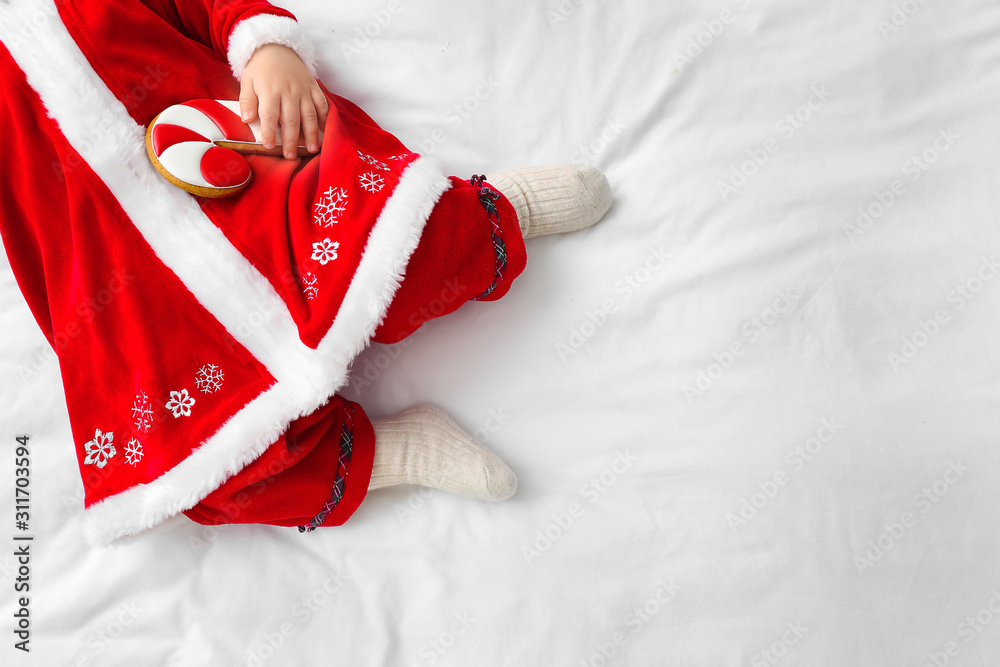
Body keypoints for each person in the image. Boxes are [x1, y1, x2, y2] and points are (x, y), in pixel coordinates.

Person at [0, 0, 611, 544]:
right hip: (125, 296)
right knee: (208, 474)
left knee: (393, 251)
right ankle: (389, 454)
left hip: (236, 179)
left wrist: (263, 45)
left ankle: (495, 215)